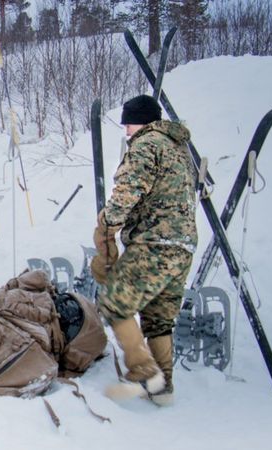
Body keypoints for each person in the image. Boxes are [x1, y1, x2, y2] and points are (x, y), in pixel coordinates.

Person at [92, 94, 197, 406]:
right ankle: (162, 389)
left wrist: (107, 223)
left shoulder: (147, 143)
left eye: (130, 123)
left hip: (155, 244)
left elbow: (129, 190)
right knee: (158, 320)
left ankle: (144, 372)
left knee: (113, 301)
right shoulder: (177, 148)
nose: (127, 131)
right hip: (183, 247)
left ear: (146, 121)